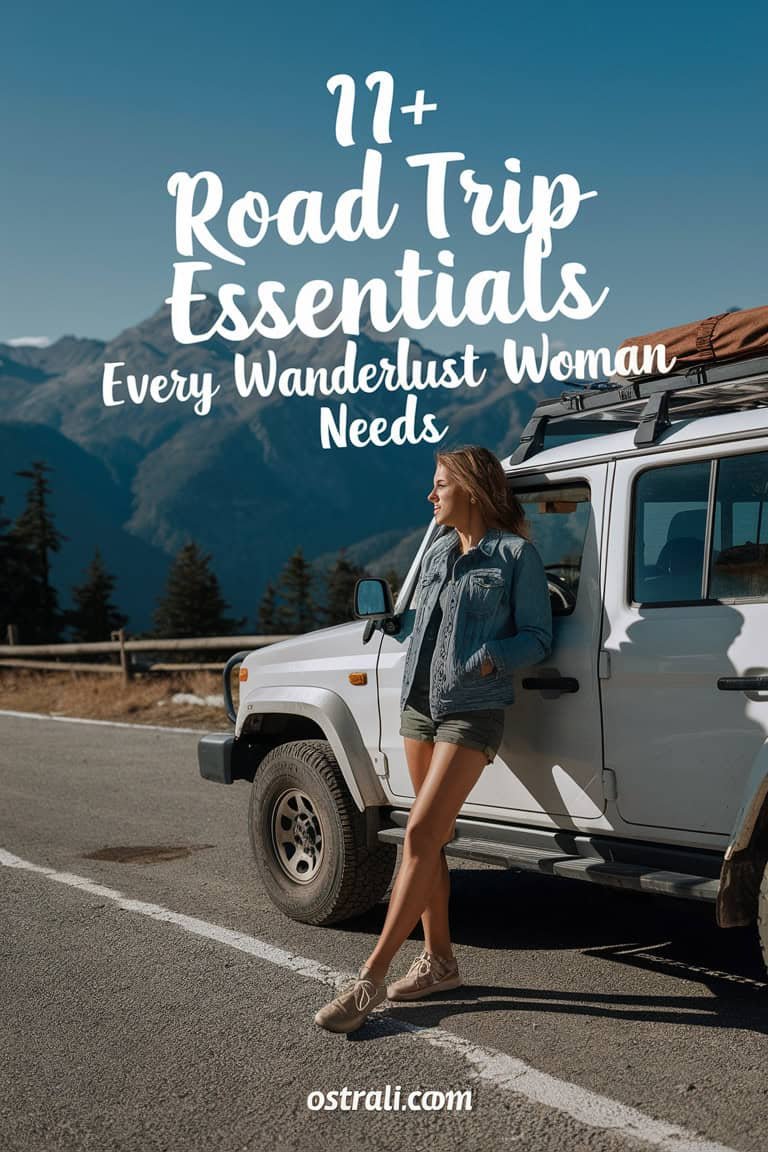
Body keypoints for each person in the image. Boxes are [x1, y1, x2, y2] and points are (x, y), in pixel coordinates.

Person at [314, 445, 553, 1033]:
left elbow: (539, 638)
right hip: (419, 707)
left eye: (440, 484)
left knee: (419, 832)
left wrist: (493, 656)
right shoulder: (441, 550)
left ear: (469, 488)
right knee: (431, 840)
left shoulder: (516, 555)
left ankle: (369, 980)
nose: (431, 495)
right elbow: (422, 625)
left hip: (472, 710)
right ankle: (440, 961)